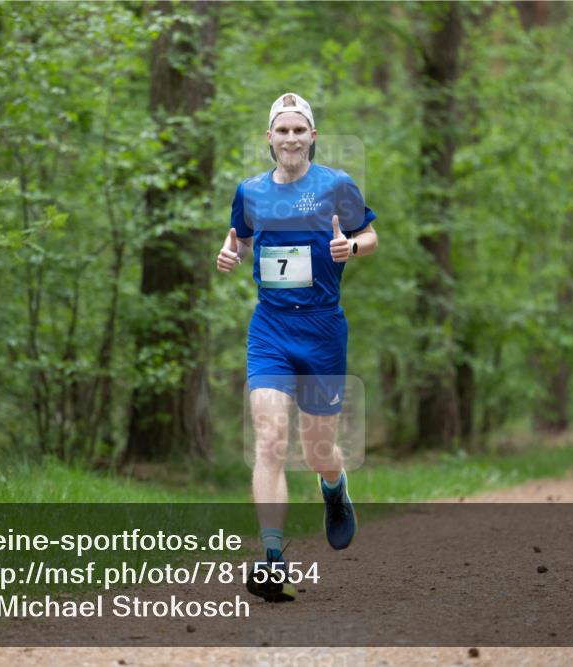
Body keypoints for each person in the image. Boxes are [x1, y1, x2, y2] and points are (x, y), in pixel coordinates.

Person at [216, 92, 378, 602]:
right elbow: (240, 235)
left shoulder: (336, 186)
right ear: (269, 137)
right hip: (270, 330)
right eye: (281, 130)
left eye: (298, 129)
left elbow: (370, 235)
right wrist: (230, 251)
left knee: (318, 451)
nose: (290, 138)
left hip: (323, 331)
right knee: (268, 440)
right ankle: (271, 557)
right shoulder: (250, 191)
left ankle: (334, 489)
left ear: (312, 136)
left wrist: (351, 247)